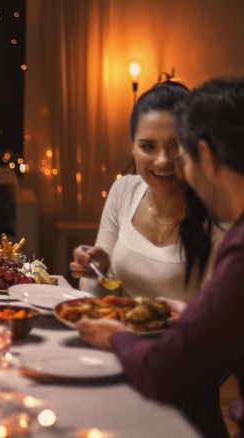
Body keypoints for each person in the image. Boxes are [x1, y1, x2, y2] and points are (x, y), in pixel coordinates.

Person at [78, 76, 244, 438]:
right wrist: (192, 315)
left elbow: (170, 371)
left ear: (204, 154)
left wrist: (117, 338)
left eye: (184, 152)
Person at [70, 81, 225, 303]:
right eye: (148, 147)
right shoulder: (123, 190)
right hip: (115, 325)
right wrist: (99, 270)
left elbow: (214, 313)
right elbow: (94, 297)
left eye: (176, 145)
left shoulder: (219, 216)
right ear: (132, 146)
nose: (162, 160)